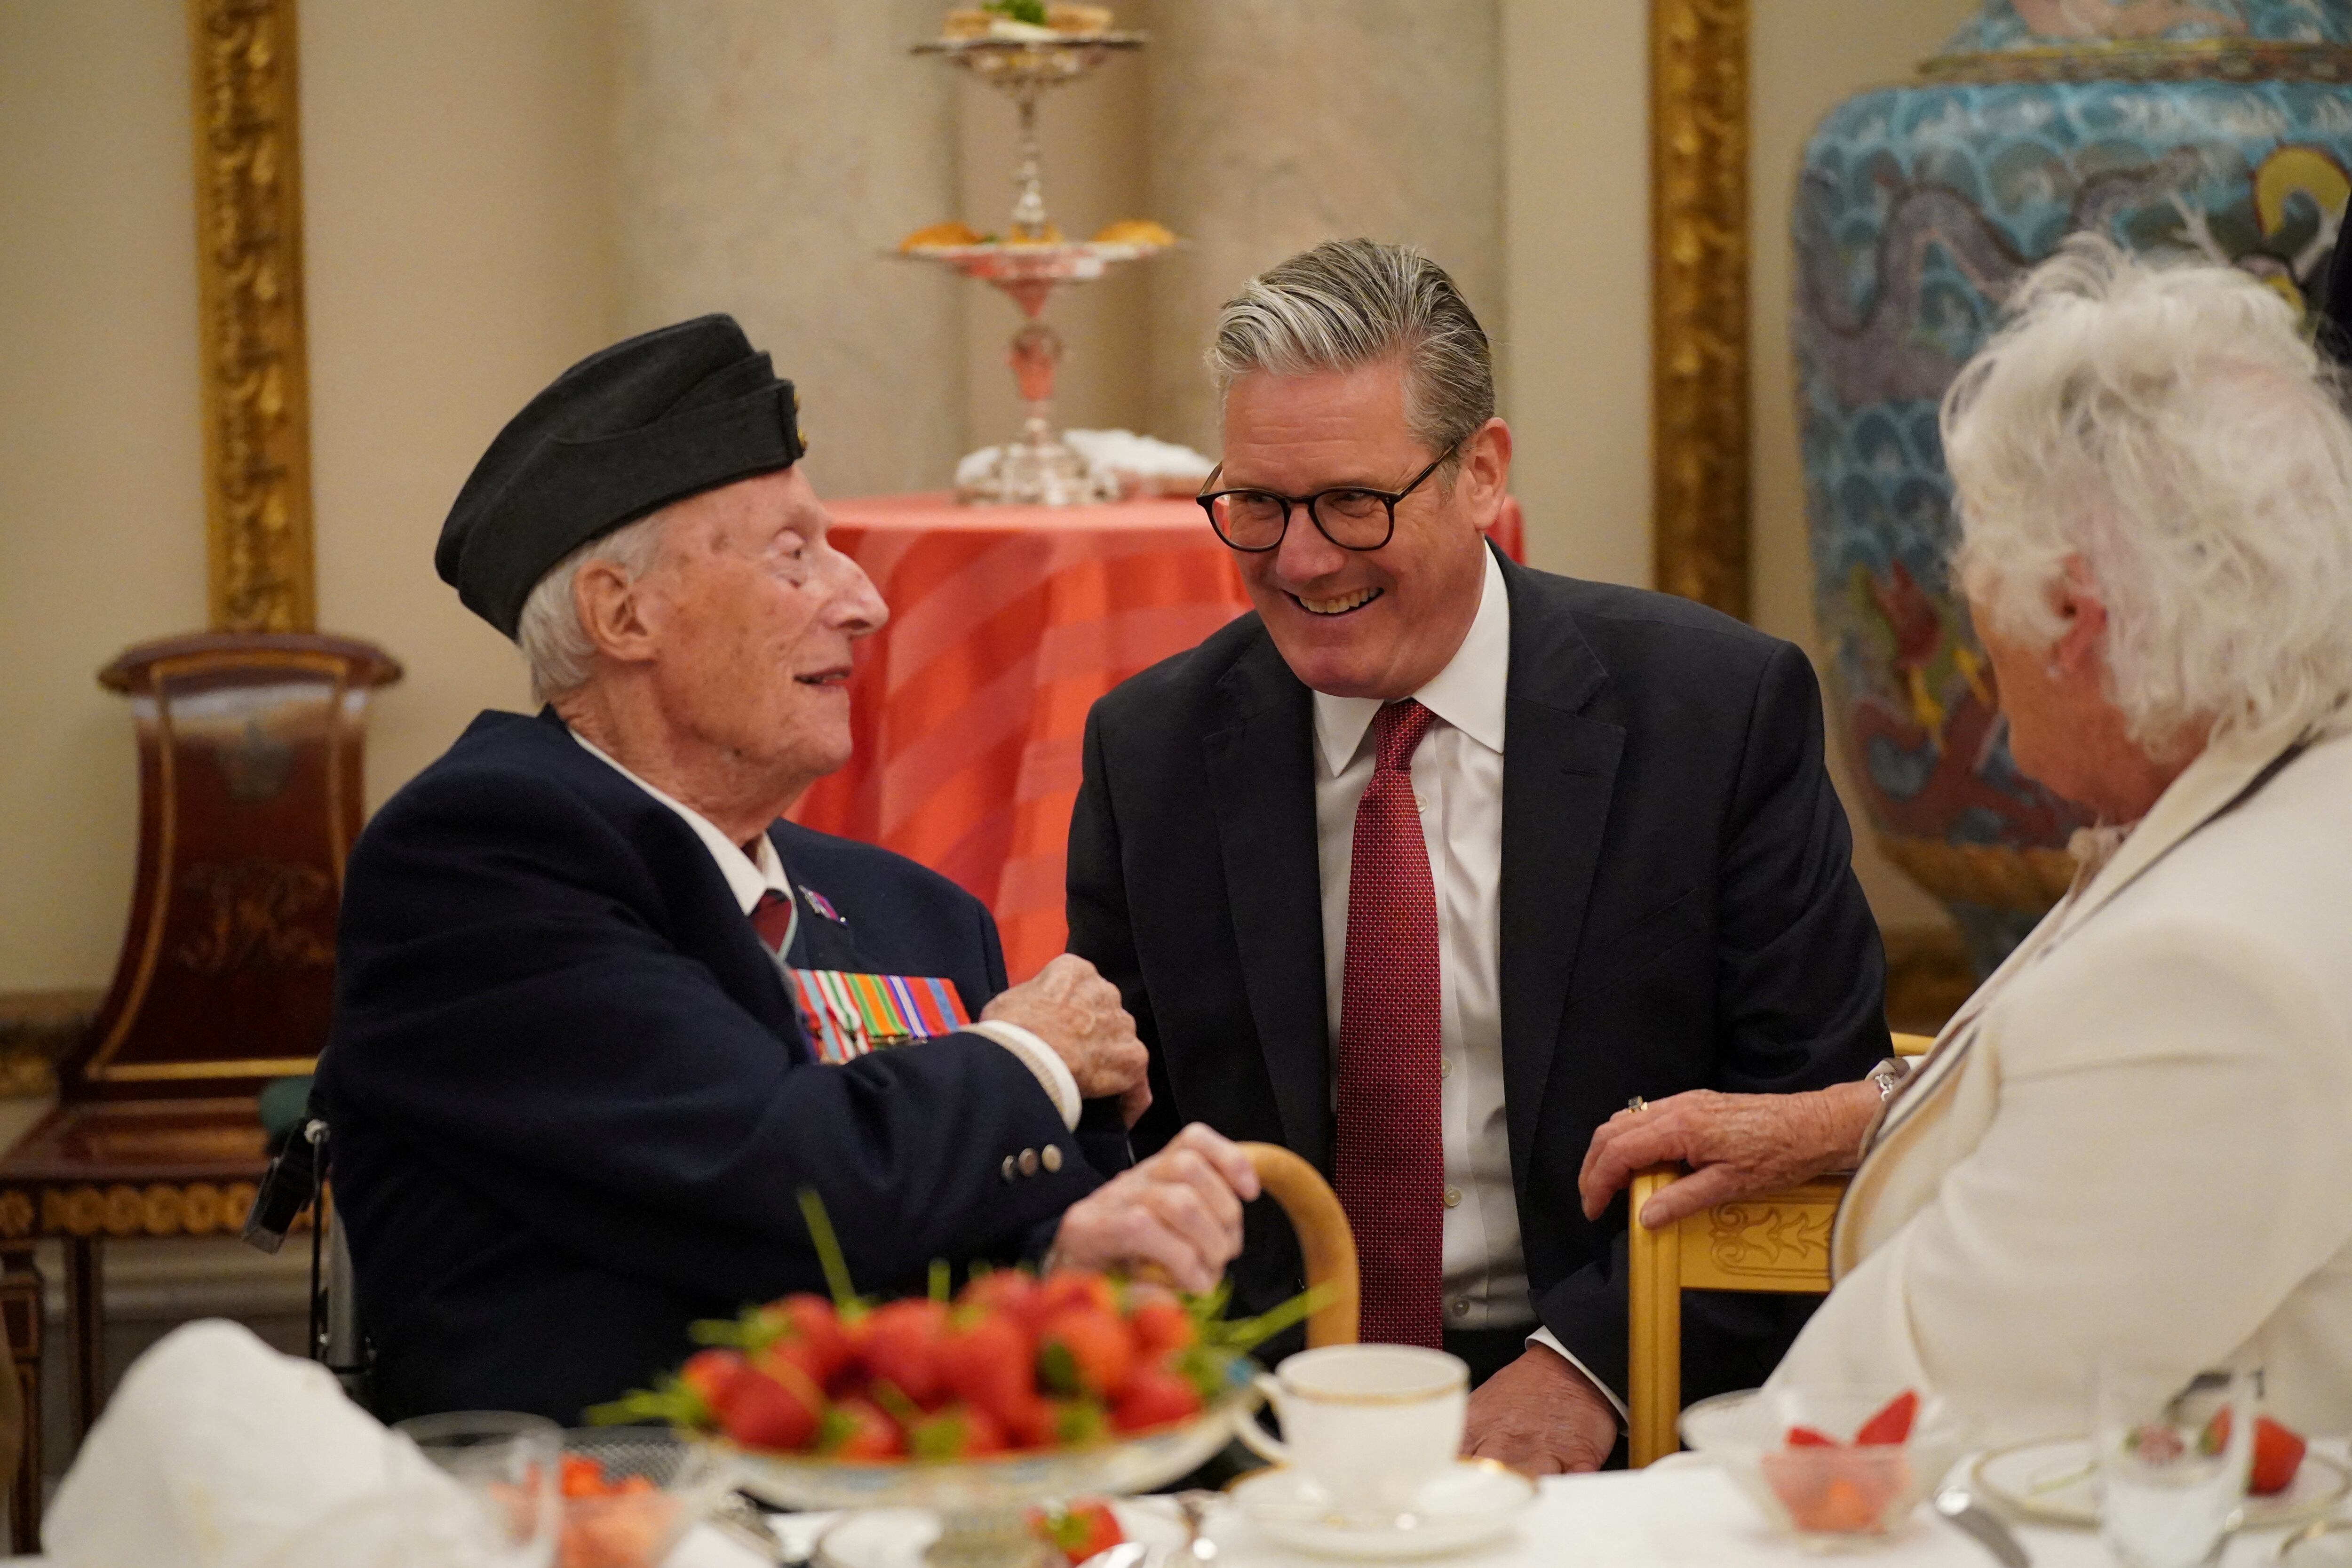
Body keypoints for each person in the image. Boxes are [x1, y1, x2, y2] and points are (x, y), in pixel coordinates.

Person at [318, 315, 1260, 1424]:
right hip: (610, 1500)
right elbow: (786, 1183)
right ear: (623, 613)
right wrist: (1033, 1053)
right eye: (793, 555)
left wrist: (1070, 1256)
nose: (865, 601)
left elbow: (961, 1231)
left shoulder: (915, 912)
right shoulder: (479, 861)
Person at [1064, 239, 1891, 1472]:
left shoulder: (1715, 715)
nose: (1299, 560)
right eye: (1258, 505)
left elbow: (1812, 1112)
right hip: (1266, 1418)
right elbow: (1126, 1142)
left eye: (1354, 502)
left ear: (1483, 474)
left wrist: (1588, 1371)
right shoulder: (1153, 749)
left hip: (1638, 1395)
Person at [1580, 237, 2352, 1443]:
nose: (1965, 609)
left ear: (2073, 612)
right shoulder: (2294, 788)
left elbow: (1863, 1444)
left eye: (1972, 554)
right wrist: (1862, 1113)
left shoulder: (2204, 974)